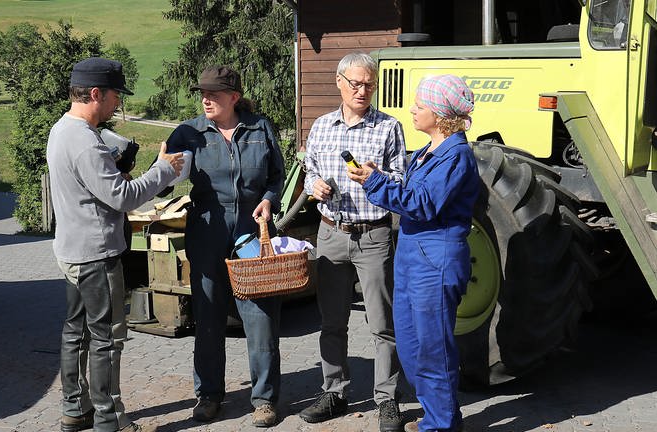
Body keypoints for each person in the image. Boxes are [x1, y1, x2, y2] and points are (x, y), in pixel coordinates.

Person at [47, 57, 184, 432]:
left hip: (71, 251)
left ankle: (74, 410)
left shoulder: (61, 130)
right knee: (106, 338)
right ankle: (110, 421)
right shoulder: (86, 142)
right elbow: (123, 198)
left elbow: (93, 189)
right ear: (95, 94)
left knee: (75, 332)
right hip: (96, 255)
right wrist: (163, 170)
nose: (117, 105)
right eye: (114, 97)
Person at [346, 74, 479, 432]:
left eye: (419, 106)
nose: (412, 110)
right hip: (412, 258)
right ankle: (438, 414)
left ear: (439, 114)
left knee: (433, 350)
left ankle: (440, 425)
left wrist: (373, 183)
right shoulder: (426, 153)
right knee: (411, 346)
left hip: (435, 261)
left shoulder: (455, 156)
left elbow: (422, 204)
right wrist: (380, 176)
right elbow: (410, 191)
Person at [164, 66, 285, 427]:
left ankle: (264, 399)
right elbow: (164, 182)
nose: (206, 99)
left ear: (234, 97)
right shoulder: (188, 132)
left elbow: (277, 176)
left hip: (253, 231)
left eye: (214, 94)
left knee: (261, 318)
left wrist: (269, 199)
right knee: (208, 317)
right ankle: (209, 395)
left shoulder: (260, 128)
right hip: (206, 230)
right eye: (202, 93)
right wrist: (163, 169)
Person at [300, 52, 407, 432]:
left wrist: (379, 176)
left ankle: (387, 399)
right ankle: (334, 391)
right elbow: (310, 166)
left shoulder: (389, 127)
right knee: (331, 321)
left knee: (382, 322)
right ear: (339, 82)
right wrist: (315, 185)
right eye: (356, 84)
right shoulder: (321, 126)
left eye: (369, 85)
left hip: (374, 233)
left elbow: (402, 178)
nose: (363, 91)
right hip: (331, 232)